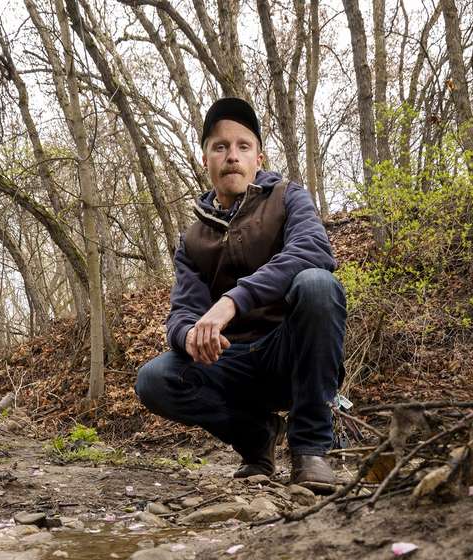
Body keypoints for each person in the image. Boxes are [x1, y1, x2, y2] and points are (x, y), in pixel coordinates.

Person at [135, 97, 346, 493]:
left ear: (258, 158)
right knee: (154, 379)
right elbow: (181, 315)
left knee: (317, 284)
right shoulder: (192, 239)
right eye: (220, 147)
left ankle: (310, 451)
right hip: (230, 364)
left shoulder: (289, 198)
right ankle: (256, 437)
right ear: (206, 160)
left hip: (291, 356)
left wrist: (231, 301)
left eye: (242, 146)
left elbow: (313, 252)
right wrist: (193, 335)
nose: (232, 156)